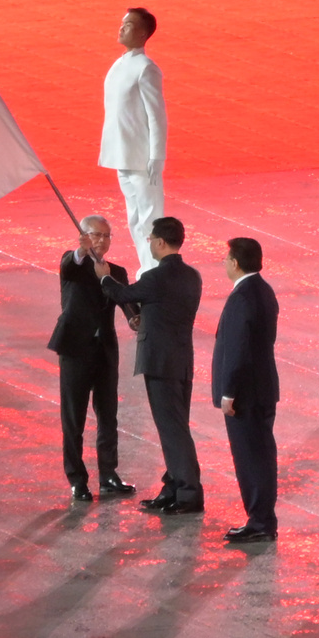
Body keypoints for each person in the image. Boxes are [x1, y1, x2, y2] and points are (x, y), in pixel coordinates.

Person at [95, 217, 204, 513]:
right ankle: (173, 487)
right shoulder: (192, 276)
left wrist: (105, 277)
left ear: (160, 242)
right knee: (175, 427)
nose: (150, 245)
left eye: (151, 240)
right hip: (182, 361)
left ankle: (188, 493)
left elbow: (122, 294)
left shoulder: (155, 277)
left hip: (160, 363)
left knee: (172, 430)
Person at [48, 215, 138, 502]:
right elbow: (69, 263)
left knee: (108, 415)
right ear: (84, 237)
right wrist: (81, 250)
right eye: (96, 235)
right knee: (73, 418)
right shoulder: (73, 264)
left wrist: (135, 317)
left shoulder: (116, 271)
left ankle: (108, 474)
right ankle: (77, 479)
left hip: (105, 352)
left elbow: (127, 303)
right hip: (75, 349)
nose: (102, 240)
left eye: (106, 235)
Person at [212, 238, 280, 543]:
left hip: (245, 394)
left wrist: (228, 392)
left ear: (236, 263)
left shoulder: (241, 297)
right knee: (262, 455)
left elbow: (237, 349)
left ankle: (260, 521)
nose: (225, 263)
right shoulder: (264, 290)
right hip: (263, 388)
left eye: (227, 258)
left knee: (250, 458)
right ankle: (263, 519)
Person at [98, 8, 168, 274]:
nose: (121, 28)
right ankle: (147, 267)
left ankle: (157, 270)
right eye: (122, 23)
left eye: (128, 25)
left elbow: (157, 116)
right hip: (123, 153)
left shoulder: (146, 68)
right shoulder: (120, 64)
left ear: (142, 33)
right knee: (135, 218)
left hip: (141, 156)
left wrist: (156, 156)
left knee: (150, 217)